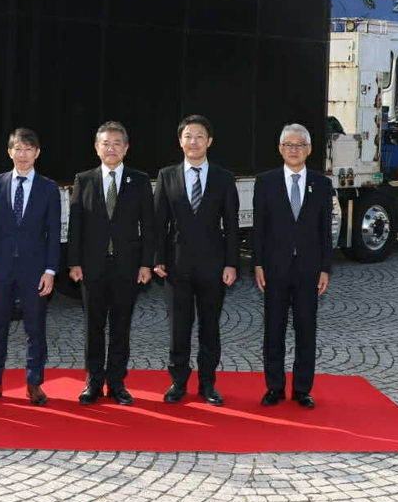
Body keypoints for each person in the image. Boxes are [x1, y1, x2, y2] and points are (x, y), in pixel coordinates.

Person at [153, 114, 239, 406]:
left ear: (209, 141)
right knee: (178, 328)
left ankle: (207, 383)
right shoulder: (167, 176)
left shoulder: (224, 178)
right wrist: (158, 258)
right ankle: (178, 382)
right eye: (188, 136)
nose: (193, 142)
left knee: (210, 327)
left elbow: (232, 225)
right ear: (180, 141)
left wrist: (231, 263)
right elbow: (159, 222)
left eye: (199, 136)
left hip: (213, 266)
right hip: (176, 266)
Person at [67, 121, 155, 405]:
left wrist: (146, 264)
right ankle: (93, 381)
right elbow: (76, 225)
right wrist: (74, 262)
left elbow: (149, 226)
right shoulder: (84, 180)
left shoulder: (139, 180)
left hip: (127, 266)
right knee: (93, 327)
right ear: (97, 148)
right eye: (106, 143)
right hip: (92, 266)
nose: (111, 148)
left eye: (117, 143)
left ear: (126, 148)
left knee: (121, 327)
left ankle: (117, 382)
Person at [0, 127, 61, 406]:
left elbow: (53, 233)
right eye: (18, 149)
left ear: (37, 153)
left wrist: (50, 270)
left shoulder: (49, 188)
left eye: (28, 149)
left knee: (35, 328)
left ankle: (34, 384)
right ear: (9, 151)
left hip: (35, 270)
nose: (23, 155)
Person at [252, 123, 334, 408]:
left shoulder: (321, 184)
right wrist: (257, 264)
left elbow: (325, 230)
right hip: (274, 268)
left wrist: (325, 268)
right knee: (273, 331)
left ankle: (302, 389)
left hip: (309, 270)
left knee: (306, 330)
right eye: (289, 144)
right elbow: (259, 228)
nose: (294, 149)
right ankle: (274, 387)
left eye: (300, 145)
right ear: (280, 148)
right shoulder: (266, 181)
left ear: (309, 150)